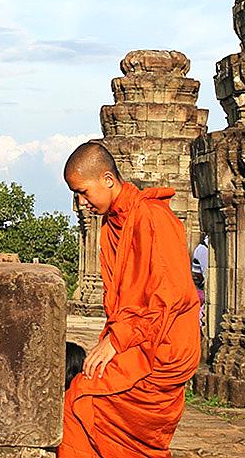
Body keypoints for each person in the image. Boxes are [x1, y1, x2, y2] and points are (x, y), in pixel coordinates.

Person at [57, 142, 201, 457]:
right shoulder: (112, 226)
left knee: (81, 400)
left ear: (108, 180)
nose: (81, 203)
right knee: (81, 401)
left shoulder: (152, 218)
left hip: (163, 343)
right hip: (136, 339)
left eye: (83, 192)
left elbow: (169, 295)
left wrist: (118, 340)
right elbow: (123, 301)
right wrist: (112, 338)